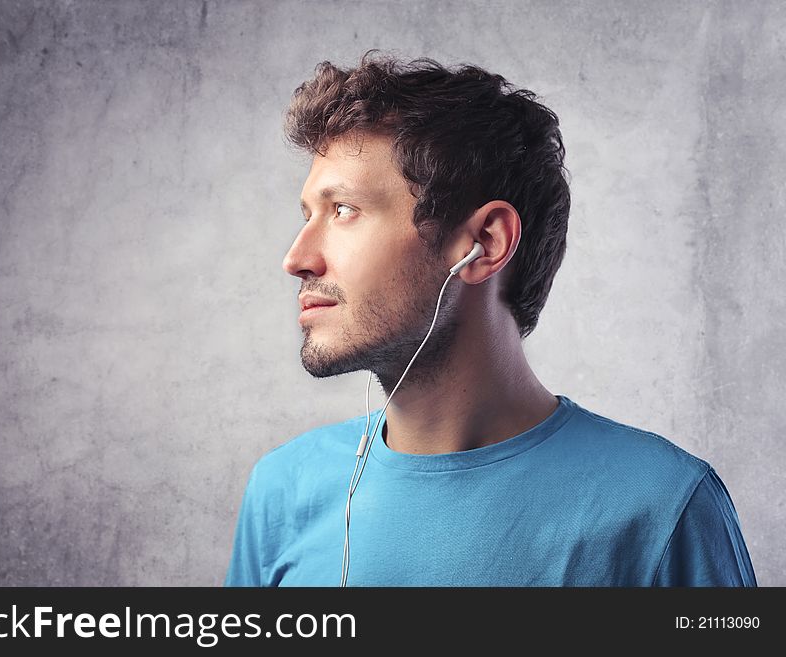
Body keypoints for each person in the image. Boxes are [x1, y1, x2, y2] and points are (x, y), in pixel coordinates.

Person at [224, 51, 757, 587]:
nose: (296, 259)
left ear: (484, 243)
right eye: (307, 215)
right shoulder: (282, 491)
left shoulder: (662, 508)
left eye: (344, 210)